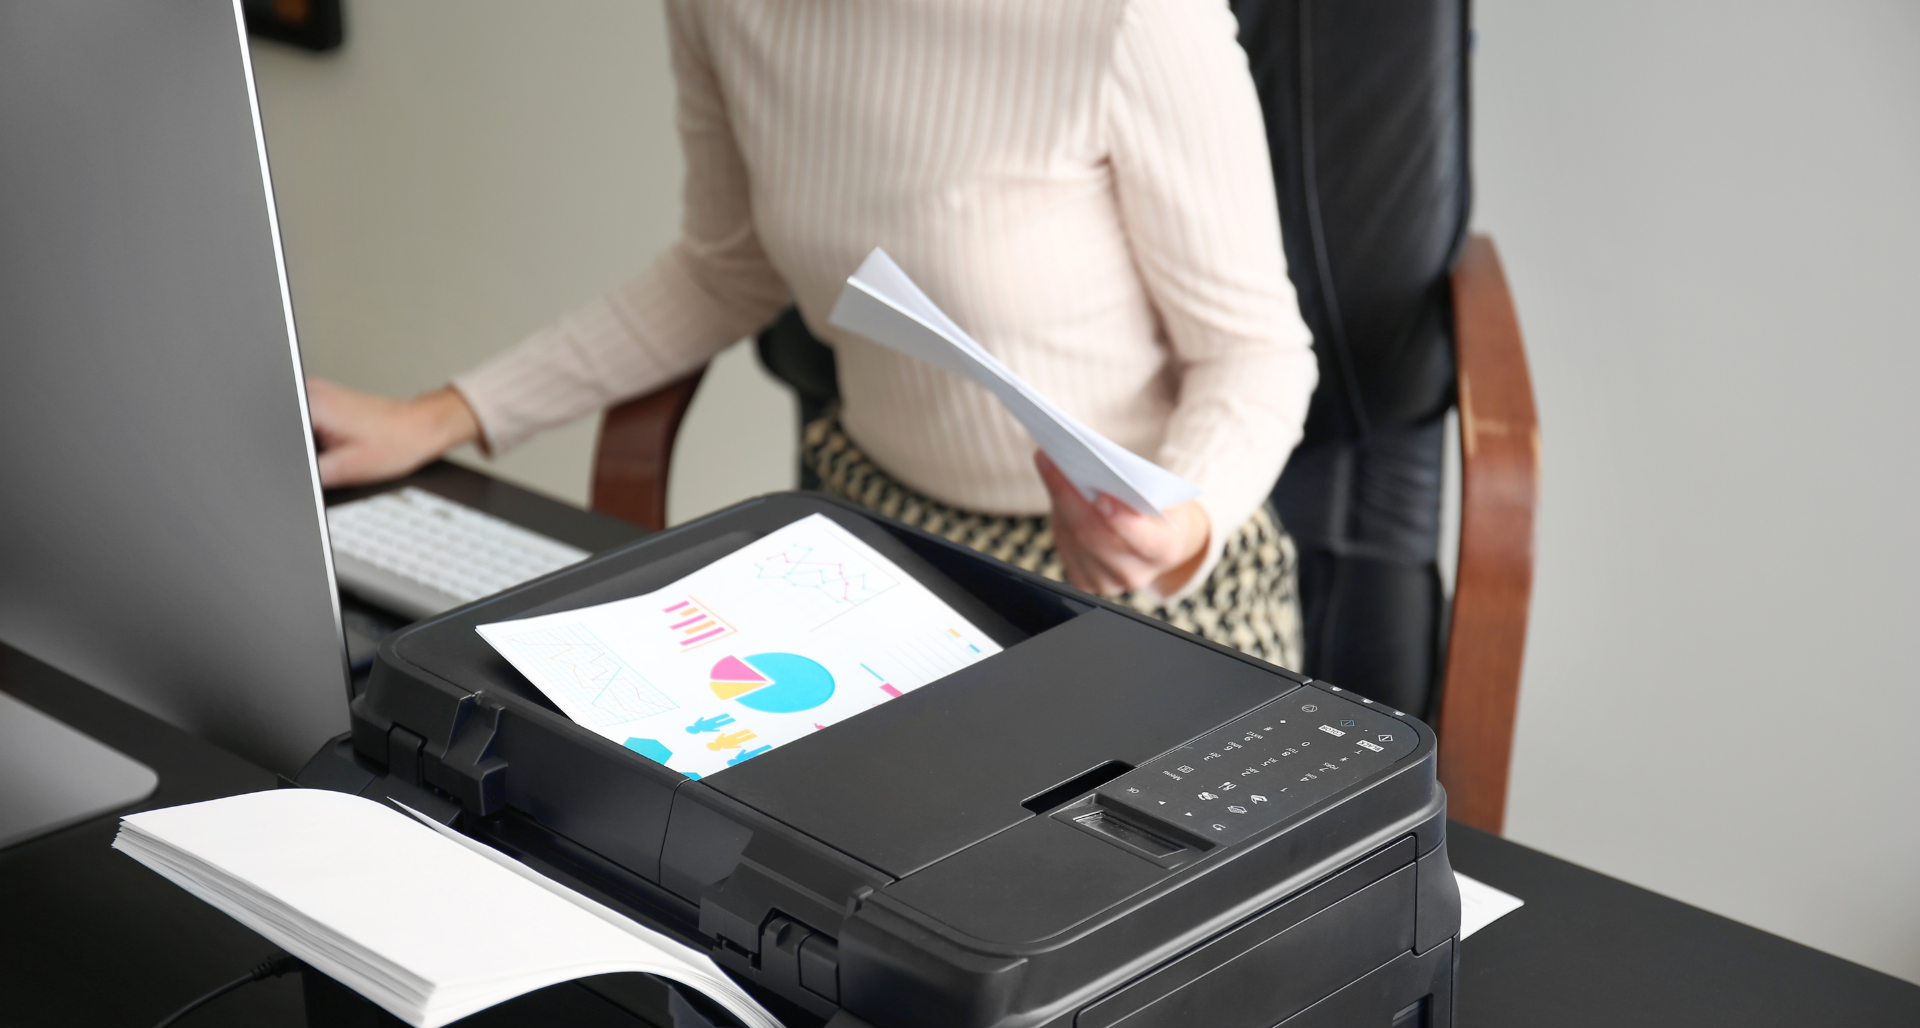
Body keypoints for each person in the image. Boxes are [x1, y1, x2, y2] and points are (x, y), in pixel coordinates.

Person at [309, 0, 1318, 666]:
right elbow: (728, 264)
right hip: (878, 537)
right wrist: (444, 414)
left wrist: (1176, 527)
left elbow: (1257, 353)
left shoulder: (1127, 17)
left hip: (1138, 587)